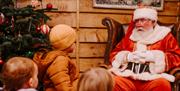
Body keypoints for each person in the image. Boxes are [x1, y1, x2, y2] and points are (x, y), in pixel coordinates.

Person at [109, 7, 180, 91]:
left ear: (153, 22)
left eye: (142, 20)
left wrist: (154, 57)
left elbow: (176, 57)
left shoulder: (165, 36)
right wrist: (126, 57)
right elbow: (114, 54)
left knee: (163, 84)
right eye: (137, 21)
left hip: (153, 78)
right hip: (128, 77)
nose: (138, 24)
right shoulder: (130, 37)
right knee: (113, 82)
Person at [33, 24, 79, 91]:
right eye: (73, 42)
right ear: (66, 44)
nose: (75, 44)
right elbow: (63, 86)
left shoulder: (60, 58)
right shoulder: (60, 60)